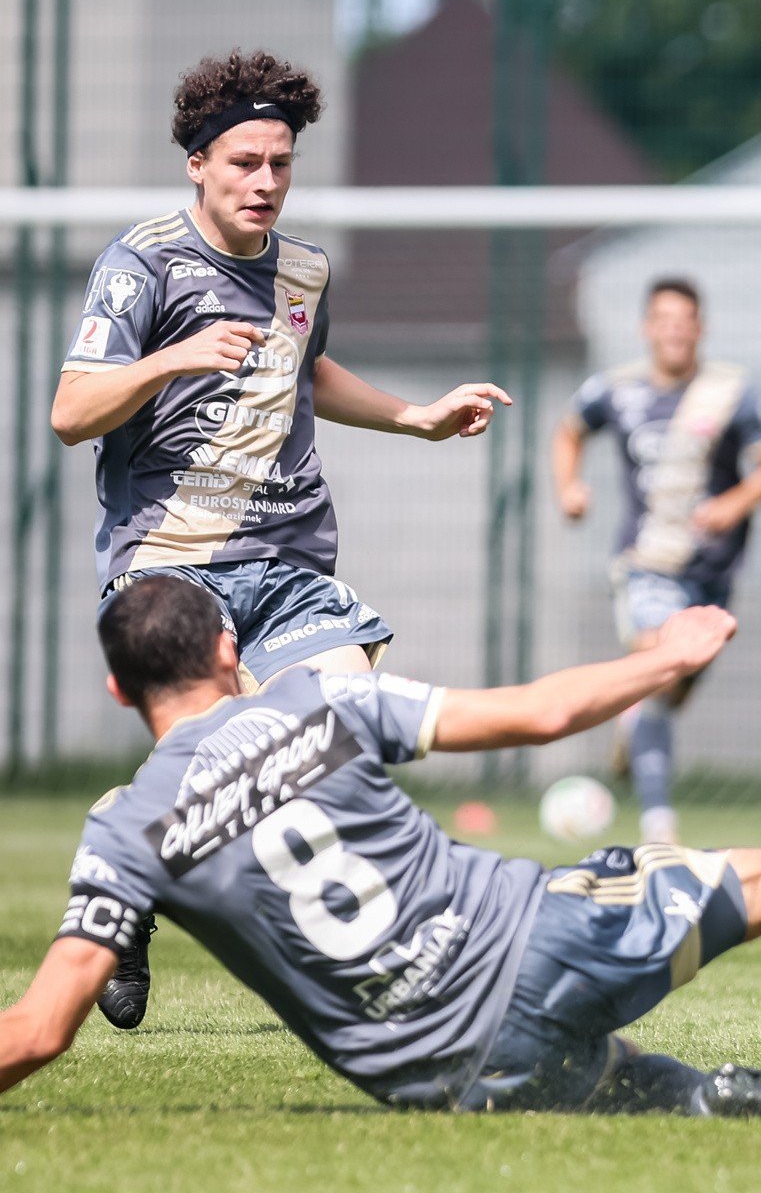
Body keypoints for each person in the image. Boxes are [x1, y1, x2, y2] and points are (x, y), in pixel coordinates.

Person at [0, 577, 761, 1116]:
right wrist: (668, 653)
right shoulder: (314, 701)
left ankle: (728, 1100)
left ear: (116, 686)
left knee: (609, 1086)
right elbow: (544, 714)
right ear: (230, 643)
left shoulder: (123, 826)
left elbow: (44, 1027)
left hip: (429, 1072)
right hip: (535, 941)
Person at [49, 50, 512, 1031]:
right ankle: (130, 897)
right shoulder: (142, 266)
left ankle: (394, 965)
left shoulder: (304, 267)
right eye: (243, 163)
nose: (264, 182)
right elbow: (70, 409)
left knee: (336, 745)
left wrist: (416, 416)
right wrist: (175, 355)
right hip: (169, 565)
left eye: (280, 164)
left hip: (293, 565)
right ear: (198, 165)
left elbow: (309, 370)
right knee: (218, 764)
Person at [551, 278, 761, 845]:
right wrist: (570, 487)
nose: (675, 329)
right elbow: (568, 431)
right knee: (661, 661)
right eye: (664, 318)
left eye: (686, 319)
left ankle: (634, 725)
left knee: (672, 686)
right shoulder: (617, 389)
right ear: (647, 327)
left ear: (700, 328)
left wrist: (734, 503)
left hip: (712, 569)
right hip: (646, 562)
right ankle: (660, 827)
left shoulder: (731, 392)